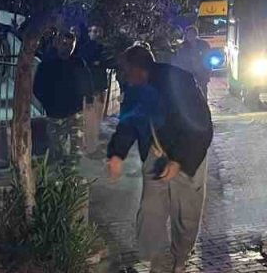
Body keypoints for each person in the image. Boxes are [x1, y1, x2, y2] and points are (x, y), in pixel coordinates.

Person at [107, 44, 213, 273]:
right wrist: (117, 153)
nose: (124, 77)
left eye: (126, 71)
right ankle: (157, 259)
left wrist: (178, 160)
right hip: (155, 156)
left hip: (188, 156)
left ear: (138, 69)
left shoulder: (179, 83)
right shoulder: (136, 89)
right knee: (150, 210)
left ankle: (180, 257)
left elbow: (202, 127)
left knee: (186, 215)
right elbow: (128, 124)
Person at [33, 29, 92, 167]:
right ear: (58, 44)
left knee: (76, 149)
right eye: (64, 44)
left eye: (71, 45)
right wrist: (48, 105)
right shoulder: (47, 64)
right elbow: (38, 88)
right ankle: (59, 176)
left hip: (74, 112)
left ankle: (71, 176)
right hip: (55, 113)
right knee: (56, 147)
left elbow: (87, 82)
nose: (67, 48)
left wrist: (87, 100)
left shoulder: (78, 63)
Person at [78, 24, 114, 156]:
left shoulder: (102, 48)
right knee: (90, 120)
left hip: (100, 88)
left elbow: (109, 62)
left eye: (98, 31)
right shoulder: (87, 48)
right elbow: (87, 65)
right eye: (93, 31)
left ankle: (92, 146)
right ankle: (89, 148)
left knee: (96, 120)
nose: (96, 33)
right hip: (91, 90)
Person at [172, 26, 212, 98]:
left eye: (192, 34)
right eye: (188, 34)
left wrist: (208, 71)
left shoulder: (203, 44)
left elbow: (208, 58)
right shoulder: (183, 46)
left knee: (203, 90)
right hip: (188, 72)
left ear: (195, 34)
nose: (190, 36)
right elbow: (179, 59)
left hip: (202, 72)